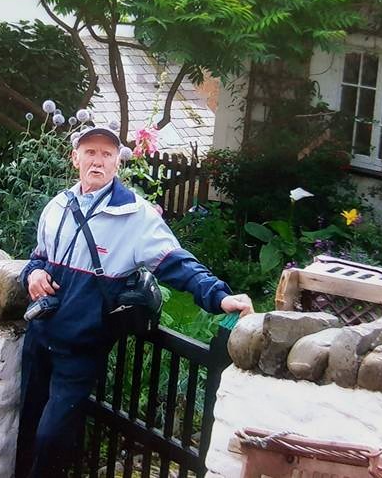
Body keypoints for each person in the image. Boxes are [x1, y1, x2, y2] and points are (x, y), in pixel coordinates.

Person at [14, 122, 253, 477]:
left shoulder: (135, 216)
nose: (98, 161)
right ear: (74, 158)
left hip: (80, 350)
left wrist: (219, 296)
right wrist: (32, 274)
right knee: (27, 427)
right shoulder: (57, 207)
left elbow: (177, 263)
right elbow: (37, 258)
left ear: (117, 164)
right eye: (90, 152)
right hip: (39, 340)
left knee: (51, 438)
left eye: (106, 154)